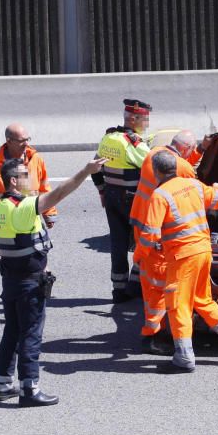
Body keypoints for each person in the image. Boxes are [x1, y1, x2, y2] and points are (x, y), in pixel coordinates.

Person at [0, 156, 107, 406]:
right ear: (13, 181)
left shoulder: (1, 207)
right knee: (31, 335)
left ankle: (2, 383)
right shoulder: (22, 208)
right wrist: (86, 171)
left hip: (11, 281)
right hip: (29, 284)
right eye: (25, 175)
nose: (31, 179)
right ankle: (29, 389)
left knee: (12, 331)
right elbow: (60, 193)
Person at [144, 152, 218, 373]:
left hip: (182, 258)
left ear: (156, 171)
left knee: (178, 305)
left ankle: (184, 357)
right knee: (203, 299)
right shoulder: (194, 185)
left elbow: (149, 234)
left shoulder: (159, 195)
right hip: (203, 251)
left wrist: (141, 254)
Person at [128, 130, 203, 356]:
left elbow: (180, 163)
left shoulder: (154, 155)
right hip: (157, 233)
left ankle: (152, 328)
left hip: (142, 222)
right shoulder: (183, 169)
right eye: (191, 151)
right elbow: (195, 192)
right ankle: (152, 336)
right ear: (185, 151)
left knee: (150, 282)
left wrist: (198, 150)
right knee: (158, 288)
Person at [92, 99, 152, 303]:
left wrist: (102, 190)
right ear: (134, 119)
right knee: (143, 242)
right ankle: (135, 286)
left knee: (117, 244)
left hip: (111, 197)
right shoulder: (134, 143)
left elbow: (95, 167)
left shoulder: (109, 137)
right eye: (145, 120)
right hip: (132, 200)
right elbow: (155, 166)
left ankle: (118, 289)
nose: (147, 124)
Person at [0, 124, 57, 241]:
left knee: (36, 254)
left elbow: (44, 188)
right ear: (9, 141)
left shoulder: (36, 160)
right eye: (22, 141)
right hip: (8, 223)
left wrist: (48, 212)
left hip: (31, 219)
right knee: (12, 255)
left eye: (27, 139)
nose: (26, 144)